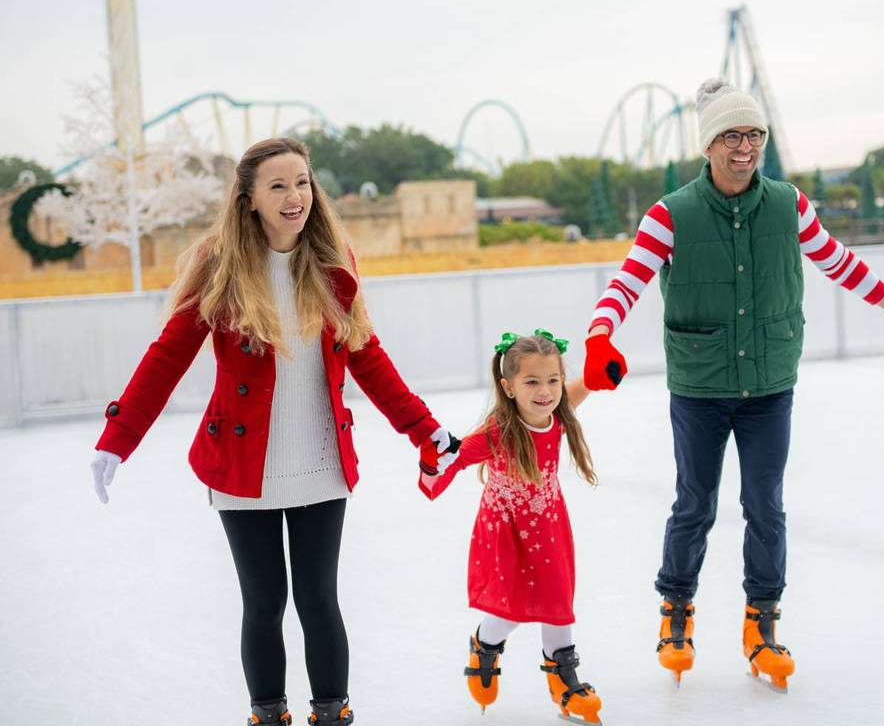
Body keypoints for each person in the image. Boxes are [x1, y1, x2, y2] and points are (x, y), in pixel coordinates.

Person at [581, 79, 884, 692]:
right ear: (708, 145)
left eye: (754, 135)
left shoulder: (789, 205)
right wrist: (598, 338)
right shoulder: (670, 214)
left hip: (770, 384)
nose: (745, 146)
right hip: (699, 385)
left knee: (765, 506)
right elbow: (626, 283)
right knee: (695, 503)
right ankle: (676, 613)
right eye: (731, 135)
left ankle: (762, 624)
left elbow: (840, 262)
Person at [89, 137, 460, 726]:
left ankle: (332, 713)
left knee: (318, 600)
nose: (295, 197)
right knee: (263, 603)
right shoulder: (219, 264)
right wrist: (119, 437)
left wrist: (422, 428)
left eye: (303, 183)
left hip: (320, 461)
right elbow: (168, 355)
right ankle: (267, 714)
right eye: (279, 185)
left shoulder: (334, 260)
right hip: (241, 466)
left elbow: (366, 353)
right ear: (249, 199)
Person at [419, 330, 603, 725]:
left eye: (552, 380)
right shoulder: (499, 430)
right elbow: (457, 458)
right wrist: (437, 457)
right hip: (508, 532)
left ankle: (564, 680)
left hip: (549, 528)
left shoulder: (559, 413)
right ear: (508, 387)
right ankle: (485, 646)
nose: (546, 391)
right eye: (532, 382)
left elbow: (575, 392)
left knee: (558, 602)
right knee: (511, 608)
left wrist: (594, 375)